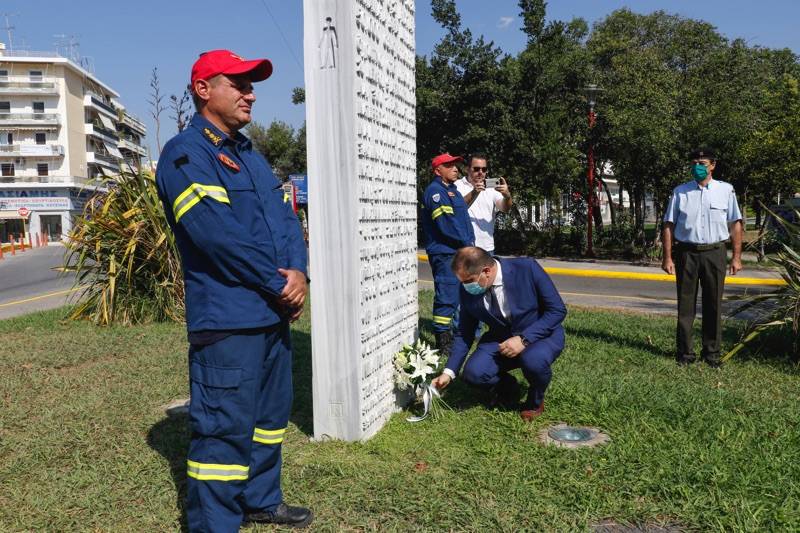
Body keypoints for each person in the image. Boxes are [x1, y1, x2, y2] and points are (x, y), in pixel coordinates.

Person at [155, 49, 312, 531]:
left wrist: (299, 273)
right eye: (238, 83)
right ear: (204, 89)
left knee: (268, 422)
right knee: (223, 430)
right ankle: (215, 524)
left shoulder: (251, 156)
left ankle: (261, 499)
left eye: (252, 84)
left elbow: (287, 221)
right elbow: (216, 234)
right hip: (228, 320)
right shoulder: (186, 155)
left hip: (270, 315)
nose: (250, 93)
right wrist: (277, 281)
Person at [431, 247, 567, 421]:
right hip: (500, 339)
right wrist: (448, 373)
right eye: (462, 281)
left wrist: (524, 339)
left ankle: (535, 401)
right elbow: (465, 332)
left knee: (534, 361)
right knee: (474, 373)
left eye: (469, 281)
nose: (465, 286)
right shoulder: (467, 289)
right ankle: (508, 388)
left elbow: (557, 310)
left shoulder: (527, 268)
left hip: (541, 335)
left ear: (486, 271)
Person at [661, 148, 743, 368]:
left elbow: (735, 223)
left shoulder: (726, 190)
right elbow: (669, 224)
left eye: (703, 162)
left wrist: (736, 257)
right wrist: (667, 257)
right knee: (685, 305)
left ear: (712, 165)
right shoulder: (680, 192)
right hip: (687, 253)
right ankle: (685, 353)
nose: (698, 166)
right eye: (695, 162)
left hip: (715, 253)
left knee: (713, 304)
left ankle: (712, 353)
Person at [421, 153, 475, 357]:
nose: (455, 168)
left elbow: (462, 222)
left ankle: (453, 337)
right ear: (438, 170)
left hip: (457, 251)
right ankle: (443, 343)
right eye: (449, 165)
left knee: (459, 296)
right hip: (445, 253)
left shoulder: (452, 191)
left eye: (455, 165)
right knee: (447, 296)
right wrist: (467, 243)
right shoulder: (436, 192)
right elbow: (446, 225)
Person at [455, 153, 513, 255]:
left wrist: (507, 196)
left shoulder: (491, 188)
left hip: (487, 248)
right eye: (476, 169)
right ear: (467, 169)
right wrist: (475, 192)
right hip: (464, 247)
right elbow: (457, 208)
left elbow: (505, 208)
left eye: (484, 169)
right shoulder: (457, 186)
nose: (480, 172)